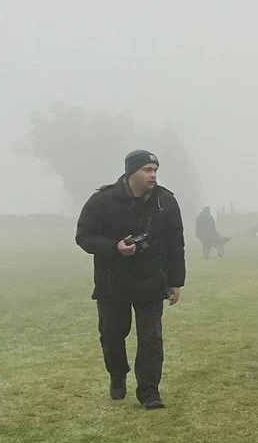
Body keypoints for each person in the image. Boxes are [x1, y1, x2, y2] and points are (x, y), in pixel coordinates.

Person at [76, 149, 187, 408]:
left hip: (151, 281)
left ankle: (149, 393)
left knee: (151, 339)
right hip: (112, 282)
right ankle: (117, 373)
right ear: (131, 172)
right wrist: (115, 247)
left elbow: (176, 244)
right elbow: (84, 237)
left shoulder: (166, 202)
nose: (153, 175)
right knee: (112, 336)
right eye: (147, 170)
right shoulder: (102, 201)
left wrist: (175, 282)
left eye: (155, 170)